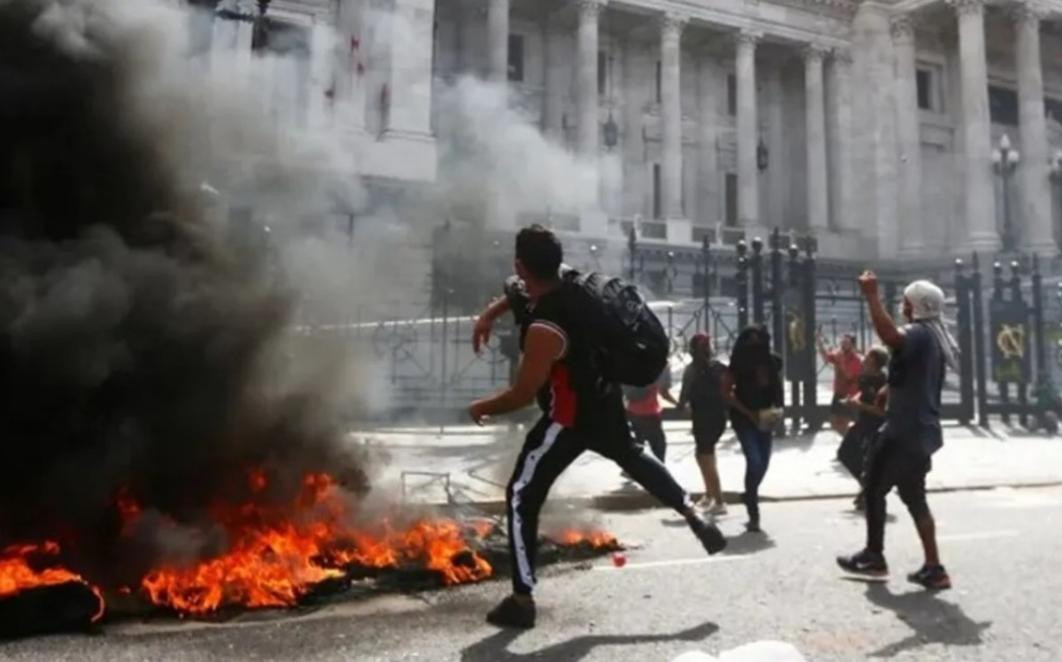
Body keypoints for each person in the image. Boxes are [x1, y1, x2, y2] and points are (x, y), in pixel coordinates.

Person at [468, 225, 726, 629]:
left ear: (521, 264)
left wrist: (482, 406)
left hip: (567, 418)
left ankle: (521, 599)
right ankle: (693, 513)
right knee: (634, 456)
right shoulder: (571, 282)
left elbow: (521, 393)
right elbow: (517, 293)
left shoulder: (545, 326)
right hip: (604, 401)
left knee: (520, 494)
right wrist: (489, 314)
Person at [837, 274, 958, 591]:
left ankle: (874, 556)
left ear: (916, 307)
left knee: (873, 487)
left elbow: (889, 335)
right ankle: (934, 568)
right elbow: (913, 374)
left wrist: (872, 296)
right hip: (922, 434)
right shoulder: (933, 337)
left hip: (902, 432)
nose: (902, 308)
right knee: (915, 498)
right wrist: (889, 389)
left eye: (905, 303)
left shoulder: (918, 333)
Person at [721, 325, 783, 533]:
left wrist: (777, 413)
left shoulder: (772, 363)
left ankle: (749, 493)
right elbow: (726, 392)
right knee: (754, 460)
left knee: (763, 464)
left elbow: (777, 390)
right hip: (744, 419)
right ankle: (753, 511)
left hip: (765, 418)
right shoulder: (737, 365)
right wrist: (748, 412)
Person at [678, 333, 729, 515]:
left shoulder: (691, 370)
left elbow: (682, 398)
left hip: (702, 419)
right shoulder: (719, 367)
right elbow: (730, 386)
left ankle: (719, 501)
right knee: (706, 455)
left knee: (704, 458)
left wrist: (681, 406)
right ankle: (710, 495)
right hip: (718, 419)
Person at [836, 346, 889, 511]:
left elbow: (880, 411)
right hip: (862, 422)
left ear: (874, 362)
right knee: (845, 453)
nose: (864, 359)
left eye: (868, 358)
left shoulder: (883, 382)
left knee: (868, 461)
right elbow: (861, 392)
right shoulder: (865, 377)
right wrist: (853, 399)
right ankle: (868, 486)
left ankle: (869, 490)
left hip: (876, 426)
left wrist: (858, 404)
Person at [623, 367, 677, 463]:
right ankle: (657, 472)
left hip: (632, 411)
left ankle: (633, 468)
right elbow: (664, 393)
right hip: (650, 413)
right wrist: (679, 404)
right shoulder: (659, 365)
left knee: (638, 443)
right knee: (659, 447)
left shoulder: (632, 361)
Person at [818, 333, 863, 435]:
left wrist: (841, 362)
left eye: (846, 342)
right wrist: (819, 342)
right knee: (833, 421)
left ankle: (852, 442)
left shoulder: (856, 359)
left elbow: (849, 376)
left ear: (852, 345)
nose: (843, 344)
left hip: (850, 393)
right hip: (839, 392)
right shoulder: (839, 354)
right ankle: (849, 440)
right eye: (842, 342)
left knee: (845, 420)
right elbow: (826, 358)